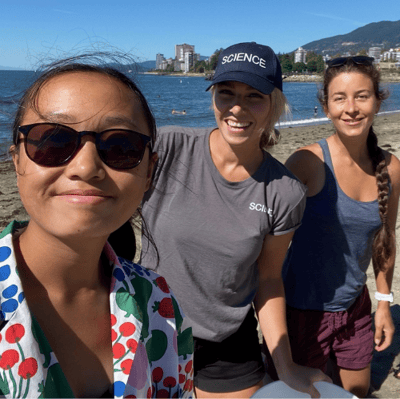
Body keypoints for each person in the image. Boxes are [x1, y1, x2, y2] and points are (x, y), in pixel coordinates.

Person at [141, 42, 329, 398]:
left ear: (274, 104)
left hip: (227, 342)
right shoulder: (167, 148)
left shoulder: (284, 192)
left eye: (253, 96)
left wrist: (284, 364)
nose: (237, 108)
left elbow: (269, 279)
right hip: (151, 328)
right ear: (213, 97)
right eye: (226, 93)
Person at [0, 57, 193, 398]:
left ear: (149, 171)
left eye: (120, 147)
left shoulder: (156, 300)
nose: (86, 167)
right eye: (53, 141)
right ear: (16, 159)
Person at [282, 56, 400, 398]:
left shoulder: (391, 169)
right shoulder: (306, 162)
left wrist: (383, 303)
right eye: (339, 98)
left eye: (362, 96)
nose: (351, 108)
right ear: (325, 105)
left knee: (357, 392)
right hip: (303, 312)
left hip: (356, 308)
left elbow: (385, 239)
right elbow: (267, 244)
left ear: (378, 100)